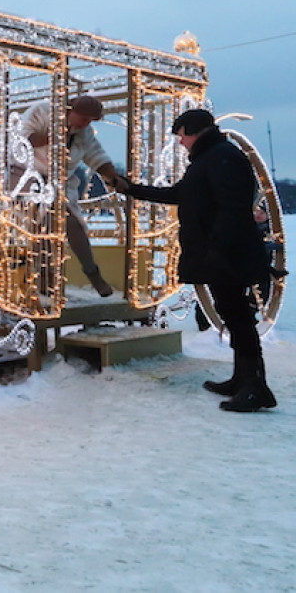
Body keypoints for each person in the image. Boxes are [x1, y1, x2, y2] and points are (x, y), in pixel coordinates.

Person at [111, 109, 276, 412]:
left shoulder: (221, 157)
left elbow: (232, 209)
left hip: (227, 256)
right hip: (222, 255)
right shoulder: (211, 158)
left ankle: (255, 386)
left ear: (190, 130)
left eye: (181, 136)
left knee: (239, 318)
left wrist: (218, 249)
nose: (181, 143)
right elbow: (180, 195)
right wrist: (130, 189)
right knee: (234, 314)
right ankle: (244, 378)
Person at [19, 95, 123, 297]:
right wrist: (55, 137)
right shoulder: (41, 111)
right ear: (70, 110)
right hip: (27, 177)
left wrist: (113, 176)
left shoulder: (84, 133)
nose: (86, 124)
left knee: (71, 223)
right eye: (84, 119)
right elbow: (23, 139)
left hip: (61, 183)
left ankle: (87, 272)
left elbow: (96, 155)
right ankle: (42, 277)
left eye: (91, 121)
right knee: (43, 223)